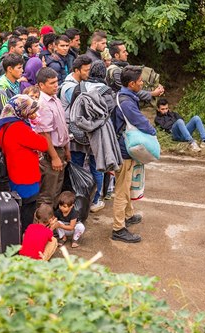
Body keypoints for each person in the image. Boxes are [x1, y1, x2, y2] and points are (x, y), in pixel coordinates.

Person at [111, 66, 156, 243]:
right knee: (122, 189)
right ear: (131, 84)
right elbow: (141, 121)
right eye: (139, 81)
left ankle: (128, 215)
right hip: (124, 151)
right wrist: (152, 132)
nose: (142, 83)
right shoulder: (127, 102)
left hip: (123, 148)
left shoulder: (124, 95)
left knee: (127, 184)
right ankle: (118, 228)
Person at [0, 95, 48, 233]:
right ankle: (25, 237)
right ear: (21, 111)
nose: (33, 114)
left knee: (18, 207)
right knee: (27, 209)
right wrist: (38, 125)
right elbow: (43, 145)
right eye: (31, 111)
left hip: (13, 172)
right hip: (26, 175)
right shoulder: (19, 128)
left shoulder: (3, 125)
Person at [66, 60, 111, 212]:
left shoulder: (80, 87)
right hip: (96, 135)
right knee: (97, 167)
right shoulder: (106, 91)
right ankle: (95, 200)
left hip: (78, 133)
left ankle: (77, 199)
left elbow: (73, 109)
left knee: (77, 166)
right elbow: (108, 115)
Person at [34, 67, 70, 207]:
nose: (56, 85)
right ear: (41, 85)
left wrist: (66, 149)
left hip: (60, 150)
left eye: (56, 82)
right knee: (47, 193)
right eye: (52, 83)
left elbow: (62, 127)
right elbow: (44, 134)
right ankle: (43, 225)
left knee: (57, 190)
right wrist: (54, 157)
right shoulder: (42, 103)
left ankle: (51, 221)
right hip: (51, 153)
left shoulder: (55, 99)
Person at [0, 53, 23, 120]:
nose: (22, 71)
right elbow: (7, 114)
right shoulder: (1, 89)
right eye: (19, 68)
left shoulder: (16, 83)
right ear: (10, 69)